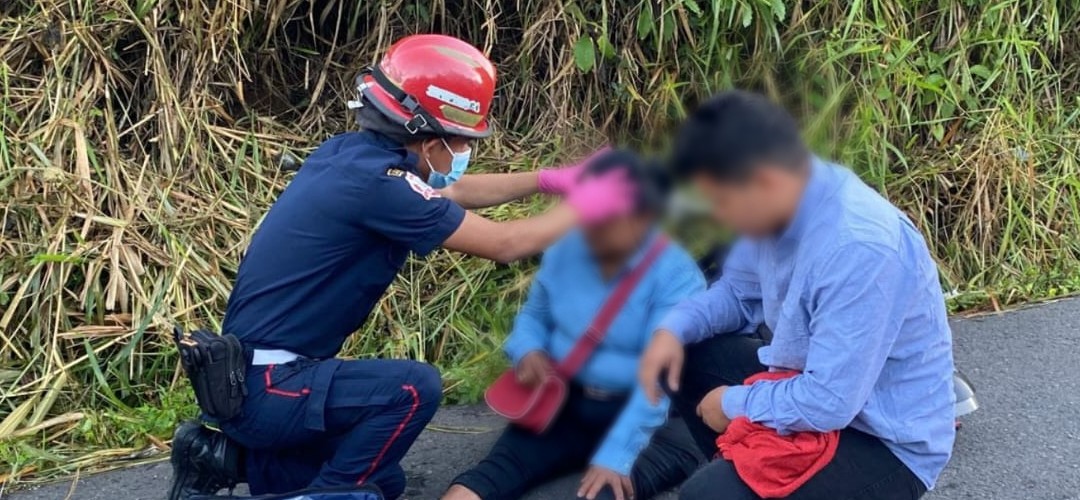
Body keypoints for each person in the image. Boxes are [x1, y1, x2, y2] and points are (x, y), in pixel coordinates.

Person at [167, 34, 638, 500]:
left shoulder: (347, 156)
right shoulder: (380, 187)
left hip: (249, 383)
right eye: (461, 141)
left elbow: (453, 190)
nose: (464, 151)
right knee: (413, 389)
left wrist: (550, 180)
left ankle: (221, 458)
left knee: (384, 479)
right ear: (430, 141)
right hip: (272, 388)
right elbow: (506, 244)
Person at [638, 91, 956, 500]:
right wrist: (671, 329)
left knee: (707, 496)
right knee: (683, 352)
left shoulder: (860, 247)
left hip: (881, 437)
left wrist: (733, 404)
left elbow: (829, 402)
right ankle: (743, 469)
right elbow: (738, 294)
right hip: (810, 385)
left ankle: (742, 482)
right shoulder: (775, 201)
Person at [442, 151, 707, 500]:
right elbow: (534, 315)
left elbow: (658, 379)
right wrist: (528, 350)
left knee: (605, 493)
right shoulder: (566, 252)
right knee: (482, 481)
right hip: (566, 404)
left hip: (654, 423)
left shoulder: (676, 276)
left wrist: (617, 456)